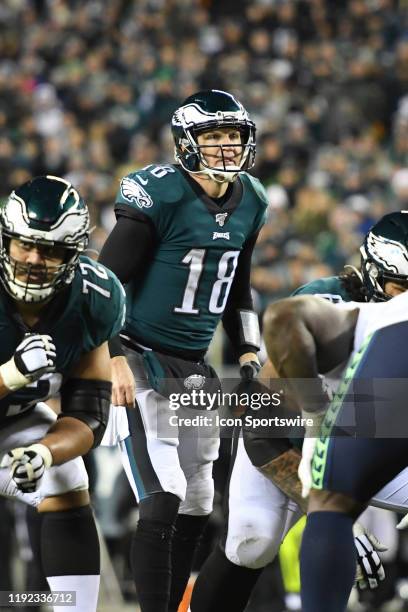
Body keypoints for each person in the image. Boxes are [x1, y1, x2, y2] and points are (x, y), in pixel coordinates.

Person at [98, 89, 267, 612]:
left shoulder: (253, 199)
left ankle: (171, 605)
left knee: (199, 498)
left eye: (232, 136)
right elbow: (104, 284)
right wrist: (112, 356)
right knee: (163, 495)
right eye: (213, 137)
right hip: (141, 356)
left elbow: (237, 285)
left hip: (195, 369)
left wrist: (248, 353)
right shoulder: (160, 194)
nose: (224, 148)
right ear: (186, 142)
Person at [191, 211, 408, 612]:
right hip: (286, 444)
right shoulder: (328, 309)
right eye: (402, 289)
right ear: (375, 276)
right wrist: (331, 511)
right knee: (253, 540)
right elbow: (257, 422)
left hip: (365, 447)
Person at [0, 175, 125, 612]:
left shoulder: (93, 297)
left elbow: (89, 414)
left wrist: (45, 454)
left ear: (73, 255)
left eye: (51, 250)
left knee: (66, 476)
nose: (34, 259)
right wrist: (10, 375)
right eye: (24, 245)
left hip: (12, 420)